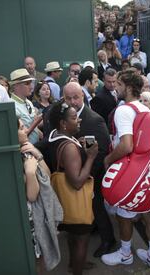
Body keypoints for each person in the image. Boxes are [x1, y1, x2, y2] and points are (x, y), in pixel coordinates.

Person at [101, 70, 150, 268]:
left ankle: (125, 254)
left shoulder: (123, 110)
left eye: (118, 83)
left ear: (127, 87)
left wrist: (108, 159)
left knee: (123, 216)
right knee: (147, 212)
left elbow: (126, 145)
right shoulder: (145, 109)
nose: (115, 87)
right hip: (147, 171)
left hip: (129, 172)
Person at [62, 82, 116, 258]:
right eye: (68, 98)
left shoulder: (93, 120)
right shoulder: (66, 115)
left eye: (75, 97)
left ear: (83, 96)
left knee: (97, 207)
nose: (72, 101)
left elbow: (100, 152)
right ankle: (93, 228)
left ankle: (108, 240)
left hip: (92, 175)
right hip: (80, 173)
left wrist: (87, 174)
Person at [47, 101, 99, 275]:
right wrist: (90, 157)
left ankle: (74, 264)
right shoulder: (69, 147)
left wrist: (78, 143)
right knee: (82, 240)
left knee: (72, 235)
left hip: (64, 202)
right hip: (76, 201)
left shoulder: (56, 135)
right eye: (74, 117)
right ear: (63, 123)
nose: (79, 120)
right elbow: (77, 182)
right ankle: (77, 268)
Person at [17, 119, 62, 274]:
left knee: (41, 256)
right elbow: (32, 195)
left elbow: (47, 176)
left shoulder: (26, 151)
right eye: (22, 128)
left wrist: (37, 155)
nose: (26, 130)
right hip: (30, 221)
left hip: (37, 217)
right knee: (37, 260)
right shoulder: (15, 158)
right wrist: (30, 172)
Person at [10, 68, 41, 144]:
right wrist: (36, 122)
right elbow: (19, 137)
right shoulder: (11, 106)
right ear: (15, 86)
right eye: (27, 83)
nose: (31, 87)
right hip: (25, 150)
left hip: (35, 146)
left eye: (31, 83)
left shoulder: (29, 102)